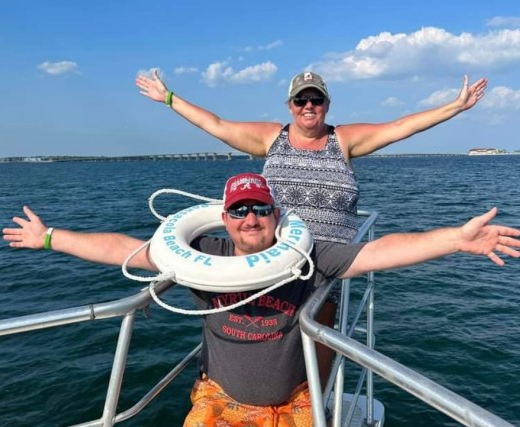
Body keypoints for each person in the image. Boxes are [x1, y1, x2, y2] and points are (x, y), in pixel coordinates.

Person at [3, 173, 520, 427]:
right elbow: (122, 249)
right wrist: (51, 238)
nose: (250, 219)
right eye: (239, 211)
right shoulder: (202, 255)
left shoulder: (308, 255)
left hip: (291, 403)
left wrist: (456, 239)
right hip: (219, 399)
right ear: (224, 218)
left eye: (259, 209)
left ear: (276, 214)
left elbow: (376, 252)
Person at [135, 69, 489, 385]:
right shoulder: (271, 138)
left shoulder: (344, 140)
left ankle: (314, 421)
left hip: (324, 268)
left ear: (326, 104)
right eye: (300, 99)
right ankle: (232, 401)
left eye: (315, 99)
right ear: (290, 105)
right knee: (254, 343)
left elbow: (399, 127)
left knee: (316, 353)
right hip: (269, 266)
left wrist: (454, 107)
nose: (308, 105)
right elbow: (217, 124)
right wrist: (169, 98)